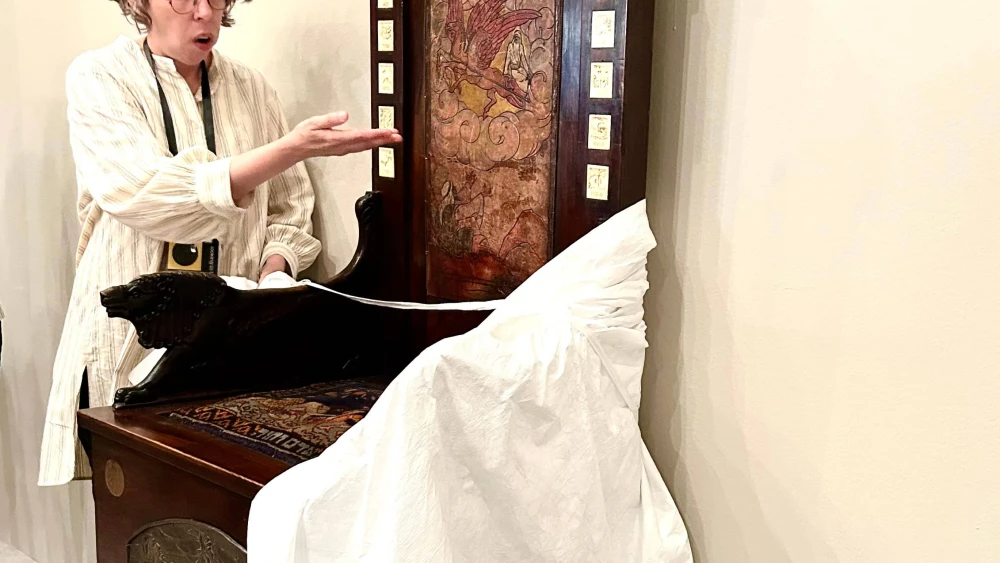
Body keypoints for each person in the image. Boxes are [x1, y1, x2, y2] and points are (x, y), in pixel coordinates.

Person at [37, 0, 402, 487]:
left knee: (212, 498)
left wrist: (276, 269)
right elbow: (142, 193)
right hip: (129, 329)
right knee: (131, 494)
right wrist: (288, 148)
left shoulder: (252, 88)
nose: (204, 13)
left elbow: (289, 206)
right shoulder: (100, 77)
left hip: (225, 341)